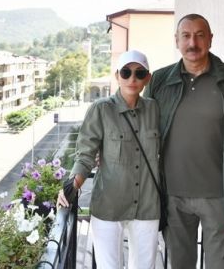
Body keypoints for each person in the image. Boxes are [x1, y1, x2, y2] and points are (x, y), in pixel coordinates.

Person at [145, 13, 224, 268]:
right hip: (172, 199)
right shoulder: (159, 82)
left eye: (200, 36)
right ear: (176, 40)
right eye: (186, 36)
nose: (193, 43)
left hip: (222, 200)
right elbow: (140, 131)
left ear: (210, 39)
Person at [58, 50, 161, 269]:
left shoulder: (155, 110)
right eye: (126, 72)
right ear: (117, 76)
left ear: (147, 78)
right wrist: (71, 186)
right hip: (108, 204)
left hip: (147, 205)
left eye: (139, 73)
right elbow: (85, 154)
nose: (132, 78)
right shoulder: (101, 109)